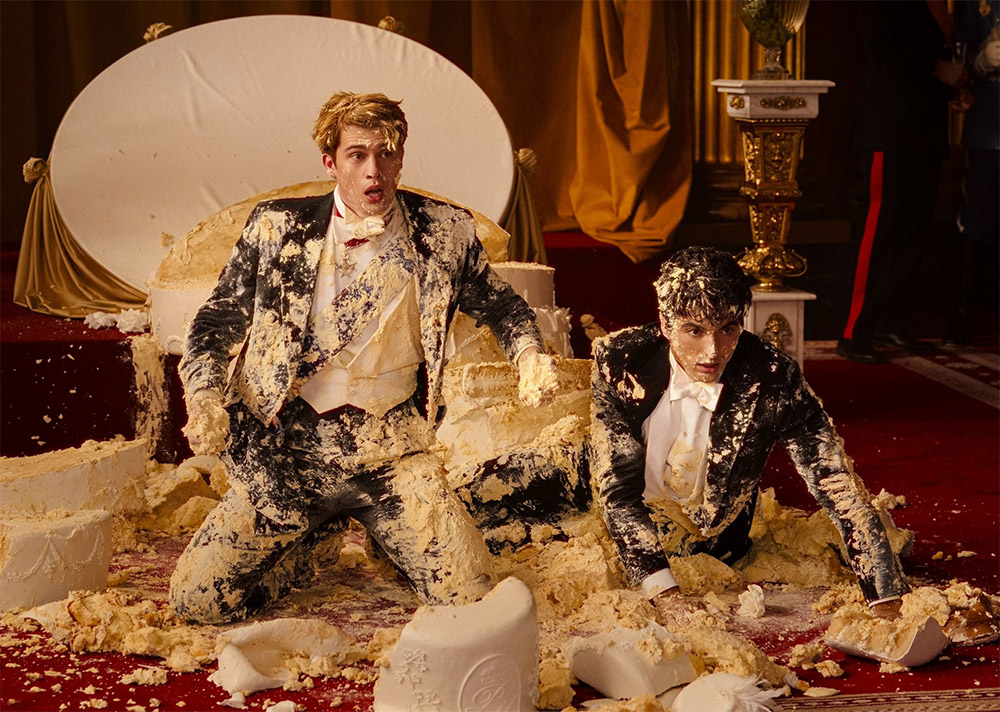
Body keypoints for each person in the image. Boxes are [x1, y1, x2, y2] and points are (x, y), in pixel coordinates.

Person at [169, 91, 555, 624]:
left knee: (469, 597)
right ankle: (307, 545)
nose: (374, 170)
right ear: (330, 162)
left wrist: (530, 353)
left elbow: (503, 306)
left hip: (392, 454)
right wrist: (204, 392)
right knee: (197, 601)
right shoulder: (275, 227)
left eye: (385, 153)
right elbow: (217, 321)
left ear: (400, 157)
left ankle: (387, 539)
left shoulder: (445, 231)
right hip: (287, 453)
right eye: (357, 155)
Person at [589, 247, 909, 622]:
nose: (712, 351)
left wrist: (884, 596)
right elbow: (617, 489)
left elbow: (836, 483)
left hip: (718, 549)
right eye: (695, 331)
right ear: (665, 323)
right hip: (628, 541)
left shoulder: (773, 376)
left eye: (728, 329)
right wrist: (665, 593)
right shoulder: (619, 360)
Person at [837, 1, 968, 363]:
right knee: (877, 230)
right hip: (889, 127)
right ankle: (853, 331)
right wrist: (939, 69)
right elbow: (883, 43)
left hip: (925, 129)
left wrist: (953, 88)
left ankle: (889, 323)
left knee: (913, 231)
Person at [946, 0, 999, 344]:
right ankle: (962, 319)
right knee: (978, 217)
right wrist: (979, 62)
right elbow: (957, 56)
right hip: (991, 122)